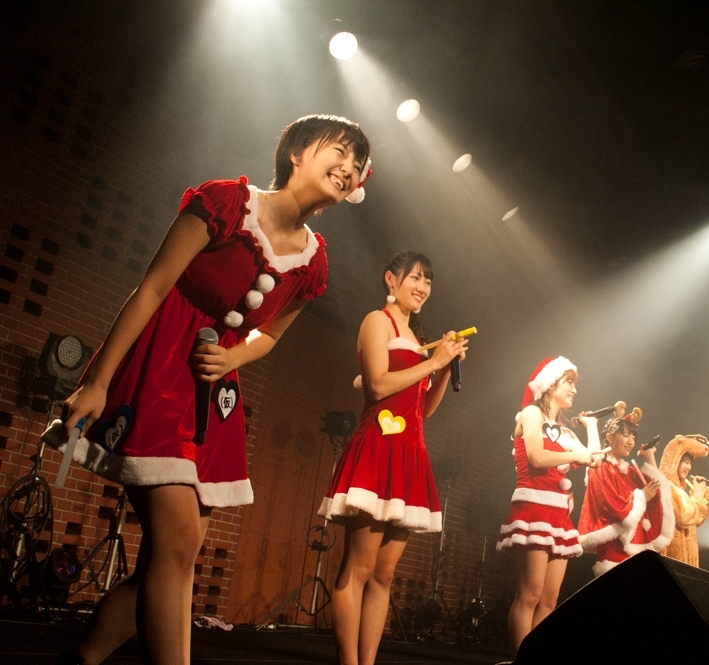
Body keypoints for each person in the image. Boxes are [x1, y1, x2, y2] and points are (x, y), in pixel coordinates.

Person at [53, 114, 371, 665]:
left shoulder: (313, 261)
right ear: (297, 152)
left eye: (358, 162)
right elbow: (153, 287)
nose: (349, 166)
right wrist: (98, 381)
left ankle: (81, 659)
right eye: (339, 151)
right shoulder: (226, 202)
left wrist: (232, 356)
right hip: (158, 369)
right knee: (177, 545)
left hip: (212, 391)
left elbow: (269, 335)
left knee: (173, 553)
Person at [318, 250, 467, 665]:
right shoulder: (376, 321)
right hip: (378, 449)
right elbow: (378, 386)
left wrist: (442, 368)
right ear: (391, 279)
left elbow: (425, 409)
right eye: (415, 278)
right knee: (359, 568)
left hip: (409, 455)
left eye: (428, 281)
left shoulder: (418, 341)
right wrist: (433, 362)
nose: (422, 287)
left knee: (383, 575)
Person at [496, 357, 604, 656]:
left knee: (549, 599)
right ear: (550, 385)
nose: (574, 390)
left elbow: (593, 459)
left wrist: (592, 426)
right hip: (532, 509)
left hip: (558, 515)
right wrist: (574, 457)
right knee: (529, 594)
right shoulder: (531, 414)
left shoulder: (565, 432)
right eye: (569, 383)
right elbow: (536, 457)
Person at [578, 406, 674, 576]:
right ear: (609, 437)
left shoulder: (630, 473)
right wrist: (641, 497)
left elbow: (657, 492)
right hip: (612, 551)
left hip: (634, 552)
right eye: (625, 435)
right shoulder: (600, 469)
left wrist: (649, 455)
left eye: (633, 437)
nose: (630, 441)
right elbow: (609, 504)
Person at [658, 434, 709, 567]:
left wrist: (702, 494)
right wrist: (696, 498)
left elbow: (698, 520)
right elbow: (683, 517)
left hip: (687, 564)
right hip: (672, 562)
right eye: (686, 462)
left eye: (690, 463)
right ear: (675, 460)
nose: (689, 468)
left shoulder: (682, 492)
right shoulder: (666, 486)